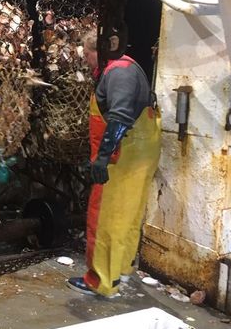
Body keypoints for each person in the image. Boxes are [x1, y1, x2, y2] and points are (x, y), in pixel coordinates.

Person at [66, 30, 161, 297]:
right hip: (142, 149)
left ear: (99, 51)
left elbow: (119, 116)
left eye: (86, 54)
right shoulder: (129, 65)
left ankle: (100, 280)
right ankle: (121, 270)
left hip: (124, 154)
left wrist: (104, 157)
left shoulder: (118, 73)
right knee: (128, 214)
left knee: (104, 216)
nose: (85, 60)